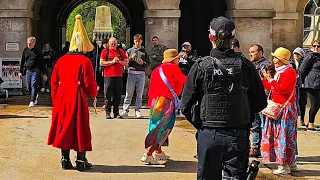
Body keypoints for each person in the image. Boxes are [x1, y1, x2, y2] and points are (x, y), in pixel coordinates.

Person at [181, 17, 267, 179]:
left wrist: (201, 123)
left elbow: (185, 104)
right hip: (238, 134)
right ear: (233, 38)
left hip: (209, 133)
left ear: (210, 37)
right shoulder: (245, 65)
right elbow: (260, 101)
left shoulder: (201, 65)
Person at [47, 15, 98, 171]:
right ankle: (81, 161)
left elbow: (53, 82)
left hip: (62, 97)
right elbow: (89, 83)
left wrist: (56, 99)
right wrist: (94, 92)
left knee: (64, 127)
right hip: (77, 96)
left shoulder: (60, 60)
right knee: (79, 127)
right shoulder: (85, 61)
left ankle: (65, 160)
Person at [141, 49, 186, 164]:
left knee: (158, 126)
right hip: (165, 102)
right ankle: (148, 154)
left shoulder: (157, 69)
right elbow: (185, 80)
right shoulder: (173, 68)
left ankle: (158, 151)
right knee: (162, 127)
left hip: (155, 102)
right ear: (174, 59)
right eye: (177, 59)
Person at [261, 47, 298, 175]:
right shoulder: (279, 71)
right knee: (280, 136)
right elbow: (272, 89)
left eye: (276, 58)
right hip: (277, 108)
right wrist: (265, 79)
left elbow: (284, 90)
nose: (274, 60)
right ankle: (289, 163)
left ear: (282, 60)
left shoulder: (289, 72)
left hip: (285, 110)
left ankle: (285, 165)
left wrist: (270, 80)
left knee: (283, 137)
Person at [119, 34, 150, 118]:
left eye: (139, 41)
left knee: (139, 94)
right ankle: (125, 110)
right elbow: (125, 62)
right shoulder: (129, 51)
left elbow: (148, 64)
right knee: (129, 93)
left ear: (141, 41)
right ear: (134, 41)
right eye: (136, 41)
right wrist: (131, 58)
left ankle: (138, 110)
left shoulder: (144, 52)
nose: (137, 43)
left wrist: (143, 63)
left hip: (141, 74)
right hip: (131, 73)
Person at [248, 44, 270, 157]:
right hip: (253, 98)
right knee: (254, 124)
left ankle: (258, 148)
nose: (250, 54)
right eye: (249, 52)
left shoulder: (265, 65)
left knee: (261, 125)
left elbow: (268, 83)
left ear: (260, 53)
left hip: (262, 98)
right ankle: (255, 147)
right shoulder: (251, 65)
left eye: (253, 52)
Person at [100, 37, 128, 119]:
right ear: (109, 44)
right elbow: (101, 63)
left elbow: (126, 63)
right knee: (108, 95)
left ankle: (116, 112)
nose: (113, 45)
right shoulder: (105, 51)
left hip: (118, 76)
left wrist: (119, 61)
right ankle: (108, 112)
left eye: (115, 43)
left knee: (117, 95)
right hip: (108, 76)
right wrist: (112, 62)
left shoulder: (120, 51)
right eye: (112, 44)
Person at [19, 37, 47, 107]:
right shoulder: (25, 50)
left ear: (34, 43)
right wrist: (20, 71)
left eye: (30, 43)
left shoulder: (38, 51)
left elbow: (42, 63)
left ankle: (32, 100)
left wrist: (44, 73)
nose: (28, 44)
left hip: (36, 70)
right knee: (29, 87)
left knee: (33, 85)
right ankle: (35, 95)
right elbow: (22, 61)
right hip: (28, 70)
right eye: (28, 43)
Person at [300, 40, 320, 131]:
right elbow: (302, 70)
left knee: (318, 104)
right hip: (312, 83)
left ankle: (310, 123)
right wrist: (303, 81)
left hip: (318, 83)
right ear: (311, 46)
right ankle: (311, 125)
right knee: (314, 104)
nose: (316, 48)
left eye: (318, 46)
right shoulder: (310, 56)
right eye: (314, 46)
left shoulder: (318, 57)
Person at [292, 47, 307, 126]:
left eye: (298, 54)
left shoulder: (304, 63)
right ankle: (295, 119)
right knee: (294, 102)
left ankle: (302, 119)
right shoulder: (291, 63)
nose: (296, 55)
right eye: (295, 53)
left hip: (302, 85)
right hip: (294, 85)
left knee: (303, 102)